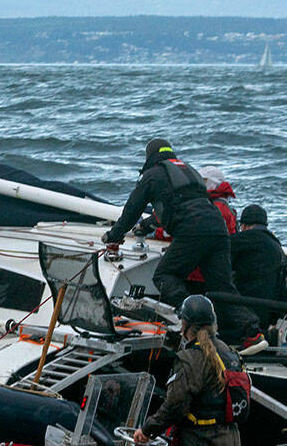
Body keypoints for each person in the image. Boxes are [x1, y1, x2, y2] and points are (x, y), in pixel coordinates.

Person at [101, 138, 262, 346]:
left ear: (150, 156)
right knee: (222, 288)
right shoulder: (188, 171)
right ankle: (253, 332)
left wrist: (114, 235)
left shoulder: (152, 175)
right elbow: (182, 206)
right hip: (218, 228)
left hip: (193, 231)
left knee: (164, 275)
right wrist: (146, 226)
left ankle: (193, 321)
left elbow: (132, 209)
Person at [134, 294, 245, 446]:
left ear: (185, 325)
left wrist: (146, 430)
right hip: (231, 440)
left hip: (203, 445)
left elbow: (174, 405)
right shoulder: (227, 351)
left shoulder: (190, 357)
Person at [228, 202, 287, 336]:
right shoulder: (277, 248)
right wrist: (274, 319)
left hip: (240, 314)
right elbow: (282, 291)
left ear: (244, 225)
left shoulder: (238, 240)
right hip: (265, 316)